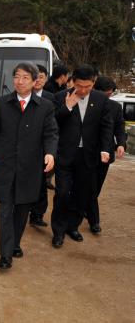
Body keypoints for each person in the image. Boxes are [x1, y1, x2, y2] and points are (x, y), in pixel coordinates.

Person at [0, 62, 58, 270]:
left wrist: (50, 153)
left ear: (35, 82)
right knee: (5, 210)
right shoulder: (1, 103)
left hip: (30, 169)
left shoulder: (44, 107)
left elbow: (51, 133)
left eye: (25, 77)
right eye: (17, 76)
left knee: (22, 210)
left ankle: (15, 242)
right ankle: (5, 255)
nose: (20, 81)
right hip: (5, 166)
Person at [50, 64, 112, 248]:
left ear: (94, 83)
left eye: (88, 86)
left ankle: (72, 226)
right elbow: (52, 124)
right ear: (72, 81)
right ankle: (58, 231)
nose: (83, 90)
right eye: (79, 85)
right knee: (61, 194)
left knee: (81, 194)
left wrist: (106, 149)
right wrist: (67, 108)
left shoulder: (101, 99)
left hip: (88, 156)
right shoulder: (60, 97)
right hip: (65, 155)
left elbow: (106, 126)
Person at [88, 76, 126, 234]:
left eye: (110, 94)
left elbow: (119, 127)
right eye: (106, 94)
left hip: (106, 152)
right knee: (89, 186)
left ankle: (86, 208)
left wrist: (121, 144)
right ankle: (94, 221)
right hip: (87, 151)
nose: (108, 97)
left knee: (96, 187)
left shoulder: (115, 107)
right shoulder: (86, 103)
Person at [28, 64, 56, 227]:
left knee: (40, 184)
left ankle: (37, 215)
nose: (37, 80)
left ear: (45, 79)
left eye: (41, 77)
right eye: (35, 76)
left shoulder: (52, 98)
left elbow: (54, 125)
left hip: (42, 148)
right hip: (23, 147)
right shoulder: (20, 96)